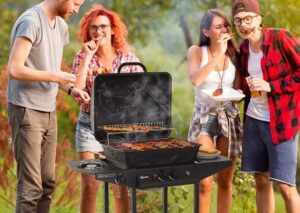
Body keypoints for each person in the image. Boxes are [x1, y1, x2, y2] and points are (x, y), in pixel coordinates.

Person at [6, 0, 88, 212]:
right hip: (26, 109)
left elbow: (49, 67)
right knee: (31, 187)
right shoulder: (31, 21)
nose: (76, 10)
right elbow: (14, 69)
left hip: (48, 110)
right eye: (76, 4)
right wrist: (56, 76)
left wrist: (70, 90)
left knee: (47, 183)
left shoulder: (61, 25)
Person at [71, 5, 144, 213]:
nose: (98, 31)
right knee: (90, 185)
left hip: (120, 128)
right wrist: (86, 57)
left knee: (120, 185)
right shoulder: (82, 56)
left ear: (113, 29)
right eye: (93, 27)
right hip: (89, 125)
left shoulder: (128, 59)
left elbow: (140, 92)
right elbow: (76, 88)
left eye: (103, 26)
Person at [232, 0, 300, 212]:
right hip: (254, 120)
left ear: (259, 19)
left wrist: (272, 86)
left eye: (247, 19)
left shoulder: (281, 38)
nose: (243, 25)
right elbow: (246, 83)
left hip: (282, 122)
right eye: (237, 21)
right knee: (261, 179)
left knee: (285, 185)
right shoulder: (244, 48)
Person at [187, 9, 243, 213]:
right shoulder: (196, 51)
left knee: (225, 180)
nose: (224, 30)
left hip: (228, 116)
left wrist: (237, 92)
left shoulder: (234, 54)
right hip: (204, 117)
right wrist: (218, 52)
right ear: (206, 31)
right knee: (204, 181)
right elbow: (196, 79)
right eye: (218, 26)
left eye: (226, 26)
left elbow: (238, 86)